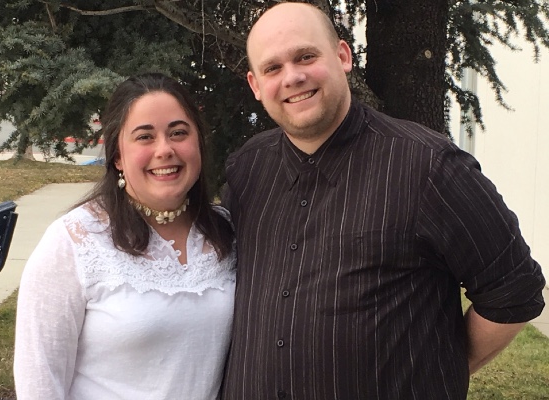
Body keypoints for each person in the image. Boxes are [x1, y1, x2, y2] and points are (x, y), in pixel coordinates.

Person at [220, 2, 546, 399]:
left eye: (306, 56)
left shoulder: (429, 167)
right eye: (273, 68)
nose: (292, 77)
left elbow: (515, 289)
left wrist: (441, 370)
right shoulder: (246, 170)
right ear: (255, 85)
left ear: (343, 56)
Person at [13, 72, 236, 399]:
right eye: (145, 137)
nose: (165, 149)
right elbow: (40, 381)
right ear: (117, 155)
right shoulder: (75, 241)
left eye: (178, 133)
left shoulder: (226, 232)